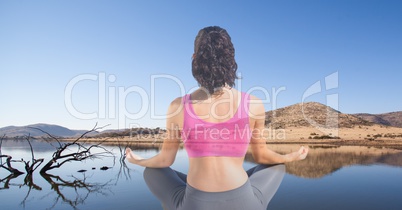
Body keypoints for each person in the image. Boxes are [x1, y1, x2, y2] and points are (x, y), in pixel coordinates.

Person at [125, 26, 308, 210]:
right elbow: (261, 156)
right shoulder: (253, 104)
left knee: (153, 171)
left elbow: (165, 160)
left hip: (194, 204)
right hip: (245, 203)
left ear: (194, 59)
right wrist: (290, 157)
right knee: (277, 166)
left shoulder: (178, 106)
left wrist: (138, 160)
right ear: (230, 61)